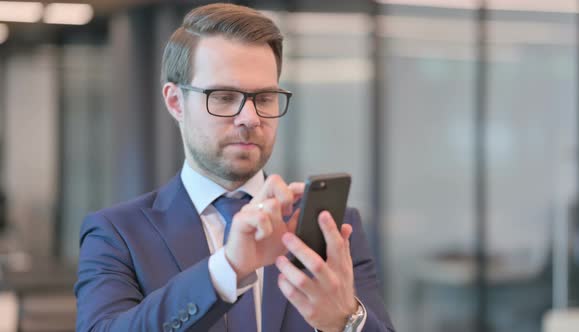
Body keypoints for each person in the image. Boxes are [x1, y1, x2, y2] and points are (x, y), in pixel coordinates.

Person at [74, 3, 394, 332]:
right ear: (175, 101)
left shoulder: (331, 227)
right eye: (224, 96)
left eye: (265, 97)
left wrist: (347, 322)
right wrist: (227, 268)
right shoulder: (117, 234)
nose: (250, 118)